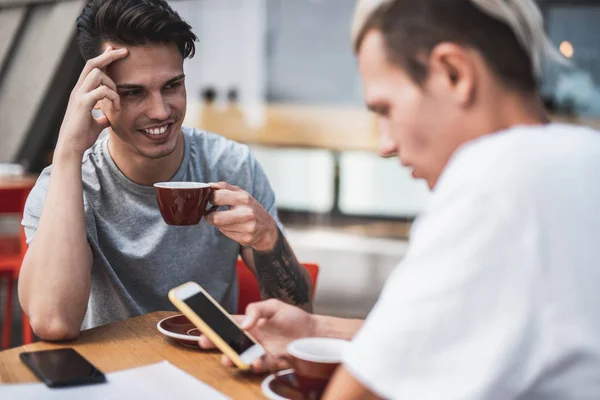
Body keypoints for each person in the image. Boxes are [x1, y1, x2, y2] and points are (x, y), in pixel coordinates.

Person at [200, 0, 600, 399]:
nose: (385, 145)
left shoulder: (496, 182)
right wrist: (316, 330)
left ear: (454, 73)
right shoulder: (582, 156)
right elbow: (456, 330)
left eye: (385, 109)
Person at [18, 0, 312, 341]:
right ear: (97, 96)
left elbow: (302, 317)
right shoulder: (65, 184)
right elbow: (54, 323)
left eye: (172, 86)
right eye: (133, 93)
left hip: (210, 375)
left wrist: (267, 239)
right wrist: (69, 150)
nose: (160, 112)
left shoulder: (232, 165)